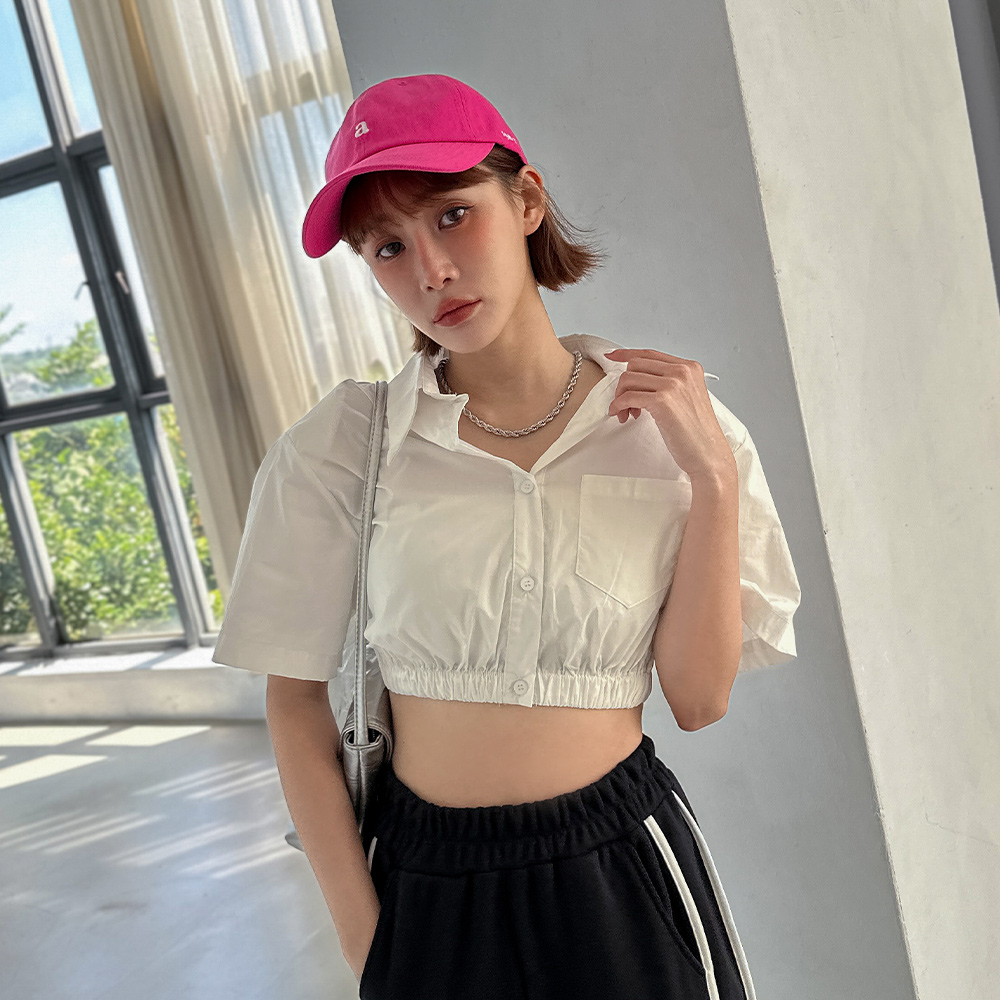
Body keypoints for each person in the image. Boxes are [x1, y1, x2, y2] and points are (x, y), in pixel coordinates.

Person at [210, 73, 801, 1000]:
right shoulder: (343, 447)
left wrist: (714, 483)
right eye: (388, 247)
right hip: (428, 880)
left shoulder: (678, 430)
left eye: (453, 216)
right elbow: (294, 701)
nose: (431, 271)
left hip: (627, 869)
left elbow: (697, 698)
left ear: (526, 200)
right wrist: (375, 951)